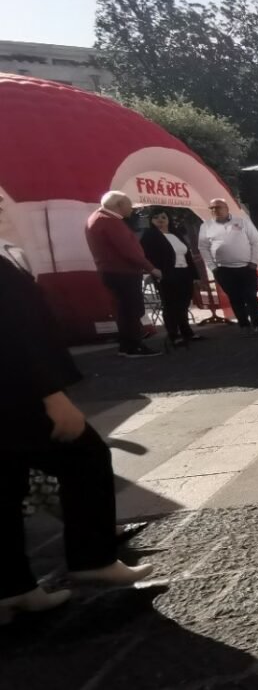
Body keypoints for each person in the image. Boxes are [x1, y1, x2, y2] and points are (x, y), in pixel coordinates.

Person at [2, 248, 154, 624]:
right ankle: (92, 558)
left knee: (7, 482)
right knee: (85, 455)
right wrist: (50, 392)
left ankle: (13, 589)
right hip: (16, 392)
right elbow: (10, 332)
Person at [84, 191, 161, 357]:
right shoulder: (109, 221)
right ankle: (134, 346)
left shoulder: (98, 218)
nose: (132, 209)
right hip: (123, 272)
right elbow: (128, 250)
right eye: (129, 205)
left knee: (124, 309)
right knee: (132, 309)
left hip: (113, 271)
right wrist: (151, 268)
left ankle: (127, 345)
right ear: (118, 205)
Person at [198, 198, 258, 334]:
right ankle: (244, 325)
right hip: (223, 270)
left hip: (246, 268)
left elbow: (257, 243)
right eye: (212, 208)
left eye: (218, 207)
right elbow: (203, 248)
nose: (215, 210)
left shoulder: (242, 222)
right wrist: (213, 267)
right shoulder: (206, 226)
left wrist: (253, 262)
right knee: (235, 298)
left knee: (251, 296)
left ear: (226, 208)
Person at [140, 208, 199, 346]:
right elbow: (146, 255)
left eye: (163, 217)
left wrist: (195, 275)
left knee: (184, 304)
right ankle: (174, 334)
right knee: (171, 305)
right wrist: (156, 271)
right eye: (156, 218)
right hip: (167, 273)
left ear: (168, 220)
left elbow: (187, 255)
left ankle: (187, 331)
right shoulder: (150, 235)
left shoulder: (176, 234)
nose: (160, 220)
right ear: (151, 221)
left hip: (184, 272)